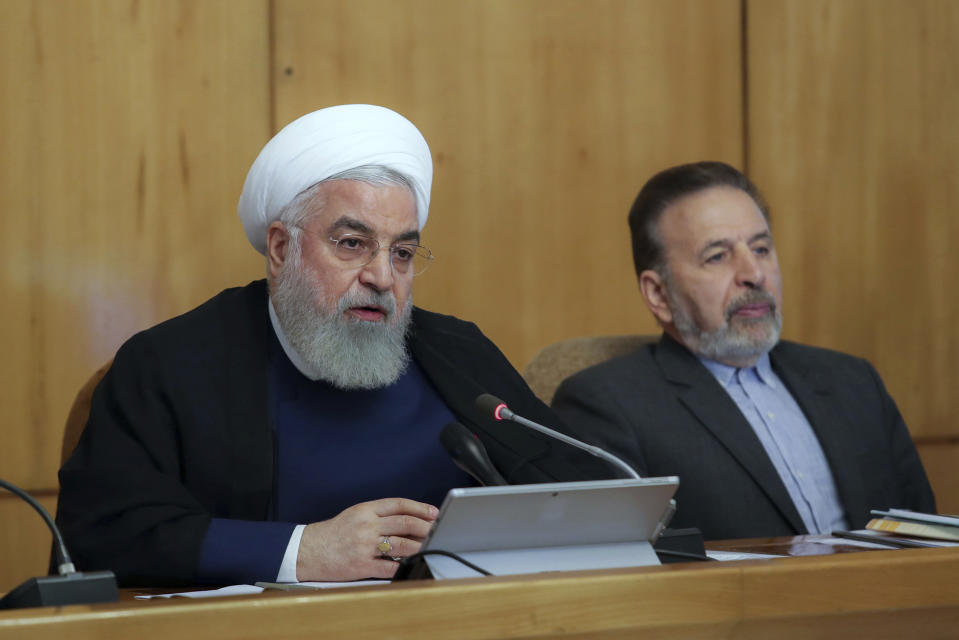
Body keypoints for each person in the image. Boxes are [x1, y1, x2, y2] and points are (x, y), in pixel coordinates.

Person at [56, 105, 595, 586]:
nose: (383, 277)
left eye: (402, 253)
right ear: (280, 247)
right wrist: (300, 550)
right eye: (353, 244)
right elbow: (103, 533)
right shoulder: (170, 364)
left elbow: (577, 491)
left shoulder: (457, 351)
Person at [551, 161, 935, 540]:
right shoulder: (608, 406)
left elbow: (928, 542)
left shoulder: (854, 382)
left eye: (762, 248)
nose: (754, 273)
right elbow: (619, 573)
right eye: (717, 256)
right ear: (659, 294)